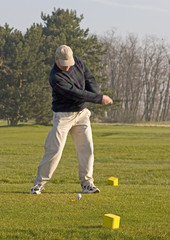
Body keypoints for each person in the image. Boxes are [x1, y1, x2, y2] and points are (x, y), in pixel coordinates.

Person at [30, 45, 113, 194]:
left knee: (86, 148)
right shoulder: (55, 77)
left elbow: (90, 78)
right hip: (63, 116)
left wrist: (95, 93)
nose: (67, 68)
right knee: (54, 150)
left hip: (81, 114)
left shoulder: (78, 63)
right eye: (64, 64)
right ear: (56, 59)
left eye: (69, 64)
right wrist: (99, 98)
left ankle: (87, 183)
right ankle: (39, 184)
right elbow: (77, 94)